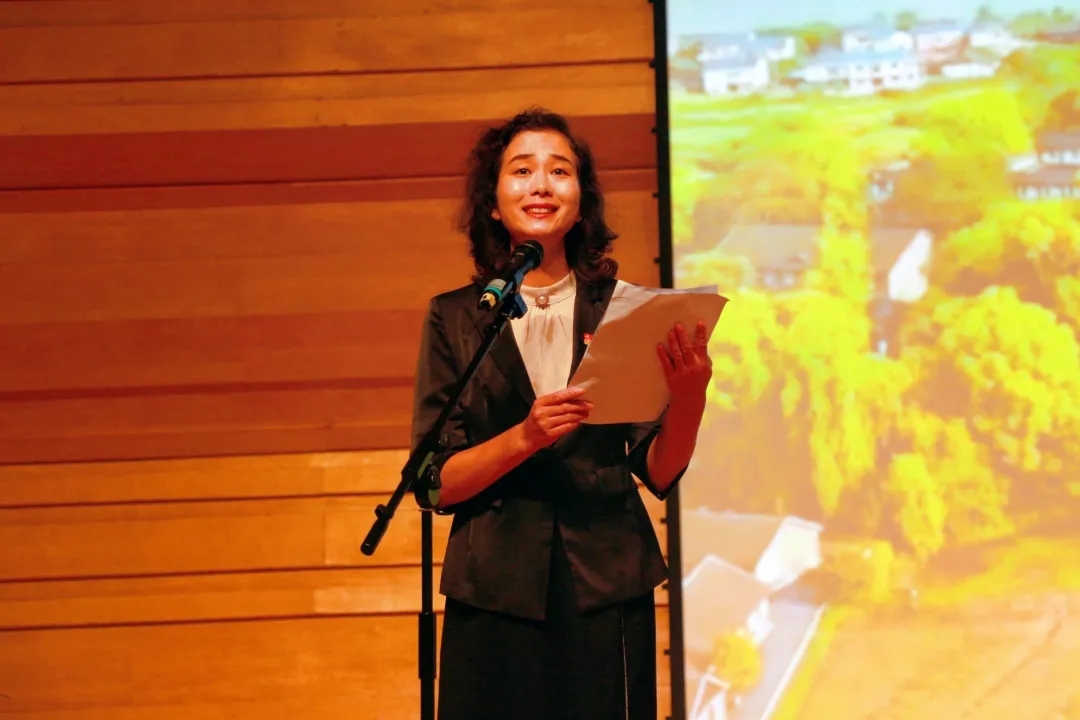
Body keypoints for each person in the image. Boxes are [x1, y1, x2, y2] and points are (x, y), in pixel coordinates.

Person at [410, 107, 712, 720]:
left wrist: (690, 397)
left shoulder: (625, 310)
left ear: (581, 202)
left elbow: (658, 470)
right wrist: (523, 437)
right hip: (493, 588)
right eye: (522, 170)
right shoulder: (456, 317)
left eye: (560, 170)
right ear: (494, 203)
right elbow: (432, 481)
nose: (541, 185)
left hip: (605, 582)